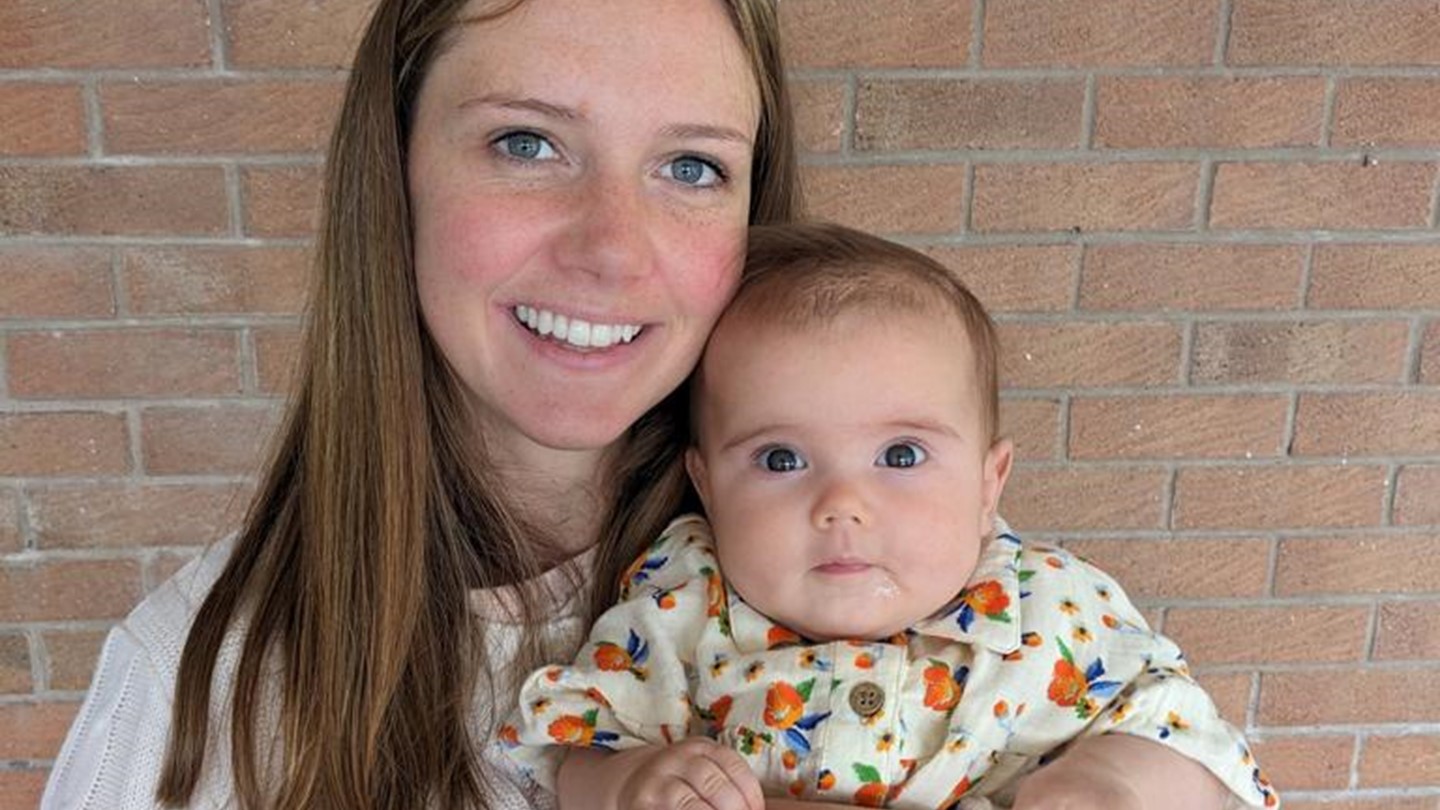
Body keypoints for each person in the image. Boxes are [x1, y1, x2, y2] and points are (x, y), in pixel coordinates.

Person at [41, 0, 799, 807]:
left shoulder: (901, 586)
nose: (612, 250)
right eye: (526, 143)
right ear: (394, 174)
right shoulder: (192, 688)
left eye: (691, 166)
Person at [503, 223, 1280, 810]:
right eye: (780, 460)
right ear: (704, 485)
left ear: (988, 483)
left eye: (901, 456)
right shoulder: (682, 601)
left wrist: (1120, 781)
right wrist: (624, 783)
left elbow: (1192, 739)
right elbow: (576, 739)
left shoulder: (1052, 604)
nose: (842, 504)